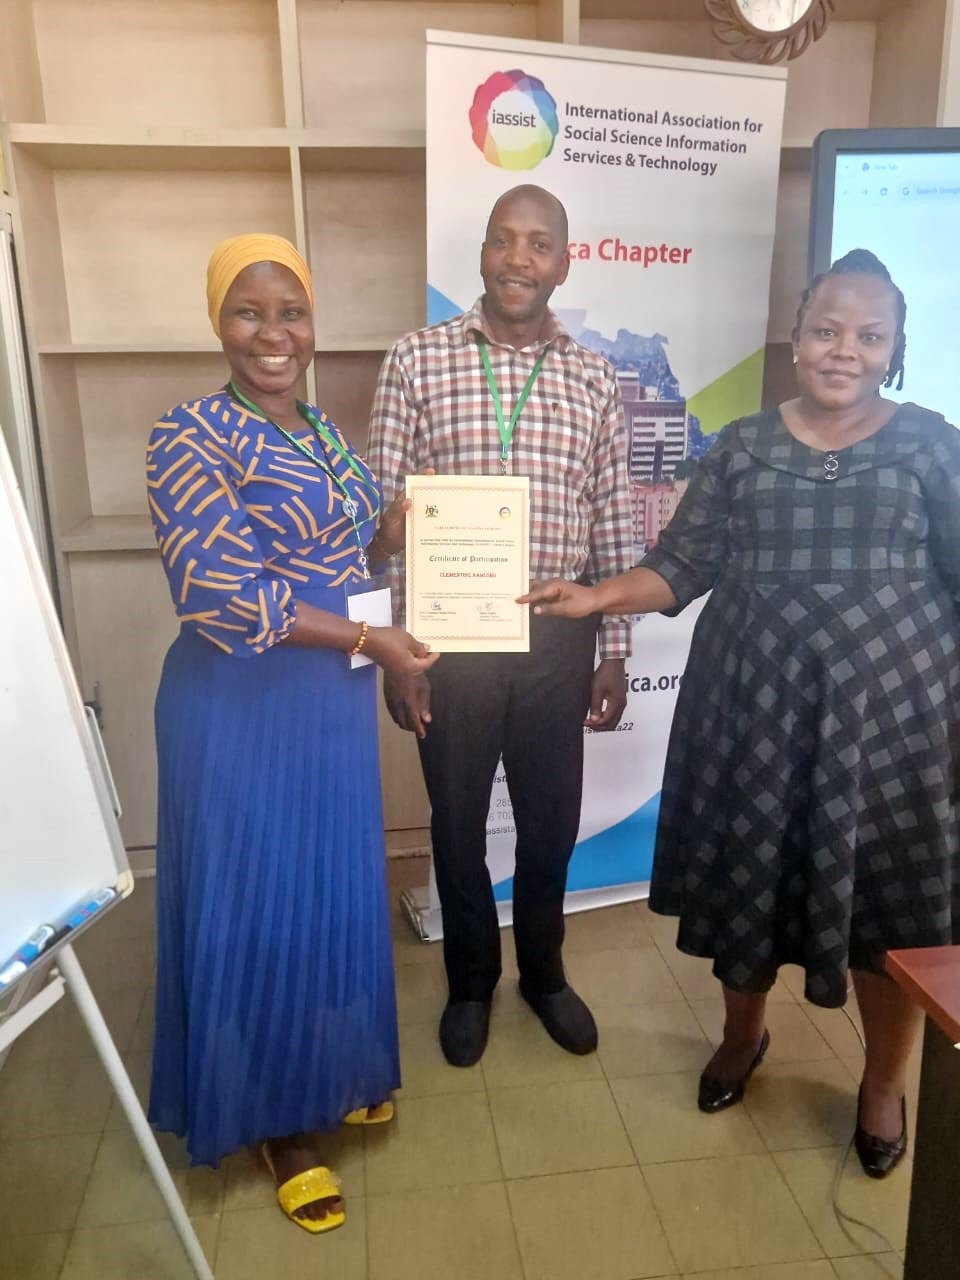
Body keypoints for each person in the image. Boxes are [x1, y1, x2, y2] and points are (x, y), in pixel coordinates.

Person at [521, 248, 960, 1178]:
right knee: (748, 881)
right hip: (754, 706)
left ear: (895, 348)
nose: (845, 350)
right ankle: (741, 1036)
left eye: (869, 335)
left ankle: (883, 1084)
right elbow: (682, 564)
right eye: (826, 330)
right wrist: (597, 596)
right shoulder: (743, 445)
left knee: (889, 909)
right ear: (796, 337)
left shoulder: (933, 445)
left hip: (892, 730)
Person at [146, 233, 437, 1233]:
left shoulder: (320, 428)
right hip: (241, 708)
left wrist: (387, 541)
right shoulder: (188, 434)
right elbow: (221, 594)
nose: (274, 334)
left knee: (326, 890)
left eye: (293, 312)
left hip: (327, 705)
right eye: (249, 311)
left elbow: (344, 555)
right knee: (259, 899)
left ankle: (329, 1068)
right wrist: (370, 639)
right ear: (218, 322)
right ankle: (276, 1122)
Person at [366, 185, 634, 1068]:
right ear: (481, 253)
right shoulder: (416, 360)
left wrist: (614, 649)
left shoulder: (595, 377)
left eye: (539, 244)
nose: (519, 258)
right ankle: (472, 984)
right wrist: (399, 654)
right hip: (450, 642)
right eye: (503, 240)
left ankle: (545, 975)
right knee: (457, 820)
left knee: (551, 821)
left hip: (559, 637)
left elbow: (612, 519)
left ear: (564, 263)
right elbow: (384, 520)